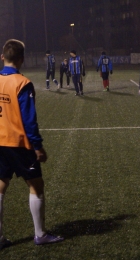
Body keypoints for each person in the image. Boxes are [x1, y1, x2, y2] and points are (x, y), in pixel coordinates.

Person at [0, 39, 64, 250]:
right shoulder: (22, 83)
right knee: (36, 185)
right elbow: (29, 120)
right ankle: (40, 234)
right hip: (19, 144)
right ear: (21, 60)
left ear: (3, 57)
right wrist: (37, 146)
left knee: (1, 185)